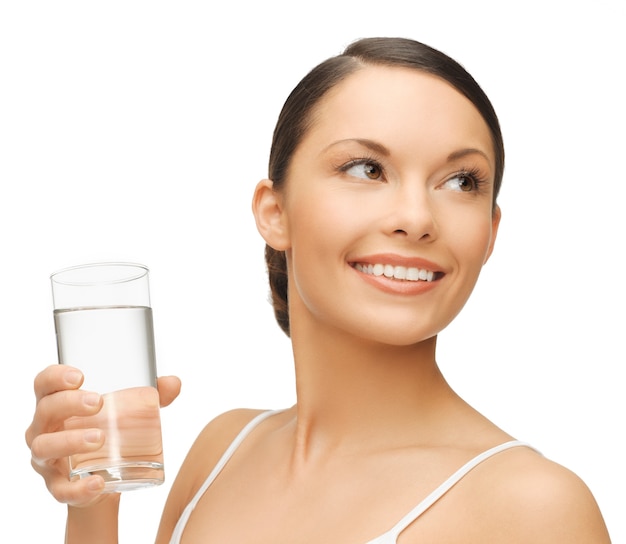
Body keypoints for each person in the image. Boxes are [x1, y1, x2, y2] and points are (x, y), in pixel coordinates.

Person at [25, 37, 611, 543]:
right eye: (366, 169)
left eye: (461, 181)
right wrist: (93, 503)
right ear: (274, 211)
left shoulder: (531, 506)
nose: (417, 217)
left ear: (490, 233)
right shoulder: (222, 450)